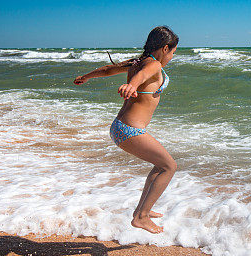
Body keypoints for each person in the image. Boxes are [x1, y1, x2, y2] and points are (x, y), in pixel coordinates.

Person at [73, 26, 179, 234]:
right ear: (165, 48)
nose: (173, 56)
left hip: (120, 127)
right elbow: (142, 76)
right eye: (173, 52)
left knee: (159, 166)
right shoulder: (153, 65)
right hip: (130, 130)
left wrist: (86, 76)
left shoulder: (136, 62)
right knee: (169, 166)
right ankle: (141, 217)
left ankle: (142, 210)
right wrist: (132, 85)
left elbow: (106, 70)